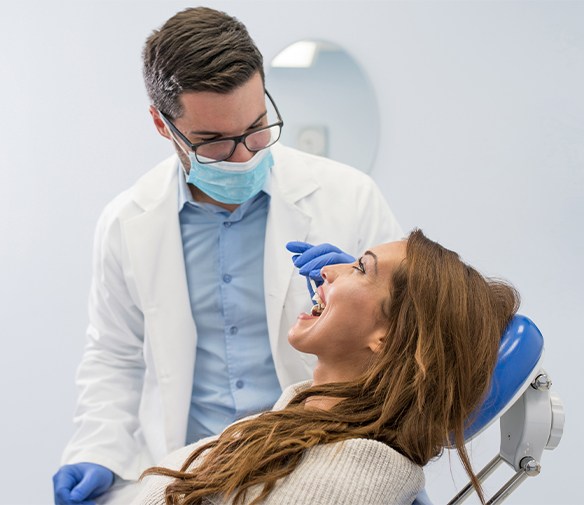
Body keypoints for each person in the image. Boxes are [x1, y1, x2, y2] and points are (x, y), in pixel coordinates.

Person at [52, 6, 404, 504]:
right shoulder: (125, 224)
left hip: (320, 460)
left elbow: (409, 340)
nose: (244, 157)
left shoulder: (350, 197)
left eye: (257, 127)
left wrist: (372, 293)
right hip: (193, 471)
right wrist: (97, 449)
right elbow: (115, 354)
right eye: (214, 143)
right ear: (162, 125)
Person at [132, 229, 520, 505]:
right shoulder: (294, 424)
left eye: (359, 268)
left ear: (387, 336)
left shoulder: (343, 478)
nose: (327, 271)